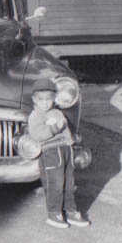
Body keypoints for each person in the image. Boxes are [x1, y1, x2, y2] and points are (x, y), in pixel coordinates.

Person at [27, 78, 90, 229]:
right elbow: (37, 135)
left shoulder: (57, 112)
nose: (45, 102)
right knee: (55, 182)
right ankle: (54, 212)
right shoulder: (36, 116)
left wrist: (71, 141)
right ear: (34, 99)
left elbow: (66, 129)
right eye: (41, 99)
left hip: (65, 149)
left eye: (49, 99)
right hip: (51, 152)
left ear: (54, 98)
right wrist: (54, 128)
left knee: (69, 182)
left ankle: (70, 210)